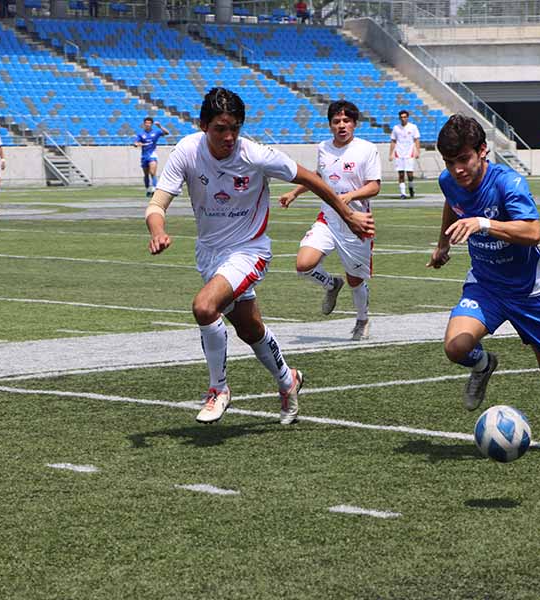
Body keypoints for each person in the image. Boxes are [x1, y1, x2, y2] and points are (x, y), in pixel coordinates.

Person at [146, 87, 374, 426]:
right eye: (221, 128)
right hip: (210, 255)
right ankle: (288, 380)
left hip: (249, 250)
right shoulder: (187, 150)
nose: (229, 136)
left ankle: (218, 389)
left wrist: (347, 215)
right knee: (249, 330)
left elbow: (311, 179)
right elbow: (157, 203)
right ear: (203, 125)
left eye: (235, 128)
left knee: (204, 307)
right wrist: (157, 230)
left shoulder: (254, 154)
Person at [427, 114, 540, 449]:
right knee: (456, 347)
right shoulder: (449, 181)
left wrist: (483, 223)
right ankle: (483, 366)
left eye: (464, 159)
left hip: (530, 291)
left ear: (482, 151)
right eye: (449, 162)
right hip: (486, 285)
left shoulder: (508, 183)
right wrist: (442, 245)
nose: (457, 170)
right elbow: (451, 205)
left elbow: (533, 232)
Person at [279, 100, 381, 341]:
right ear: (330, 125)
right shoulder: (323, 148)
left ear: (355, 124)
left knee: (355, 279)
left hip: (357, 222)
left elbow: (374, 186)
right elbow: (318, 177)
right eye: (336, 122)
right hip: (327, 218)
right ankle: (330, 284)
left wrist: (350, 196)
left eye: (346, 121)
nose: (341, 125)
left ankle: (362, 320)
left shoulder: (367, 149)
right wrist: (294, 193)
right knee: (304, 265)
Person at [134, 117, 170, 198]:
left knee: (153, 173)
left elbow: (167, 133)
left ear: (151, 124)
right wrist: (137, 144)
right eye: (146, 123)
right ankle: (148, 189)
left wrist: (160, 126)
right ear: (144, 124)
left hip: (152, 154)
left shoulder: (156, 132)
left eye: (149, 123)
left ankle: (154, 189)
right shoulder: (141, 134)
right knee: (146, 174)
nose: (147, 124)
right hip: (144, 156)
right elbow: (135, 143)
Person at [389, 109, 420, 199]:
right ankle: (403, 193)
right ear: (399, 118)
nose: (403, 119)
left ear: (407, 117)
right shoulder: (396, 128)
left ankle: (411, 187)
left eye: (405, 117)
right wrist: (391, 153)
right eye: (401, 117)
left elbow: (416, 139)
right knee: (401, 174)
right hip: (399, 153)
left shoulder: (413, 127)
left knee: (410, 174)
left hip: (409, 153)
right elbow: (393, 141)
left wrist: (417, 151)